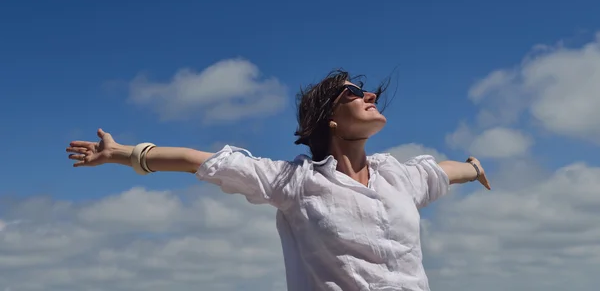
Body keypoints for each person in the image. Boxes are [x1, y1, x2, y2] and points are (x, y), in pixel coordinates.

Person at [66, 70, 490, 291]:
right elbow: (201, 161)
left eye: (366, 91)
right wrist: (123, 154)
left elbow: (442, 171)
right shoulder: (294, 182)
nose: (369, 96)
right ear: (330, 120)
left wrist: (473, 167)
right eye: (352, 94)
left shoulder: (398, 177)